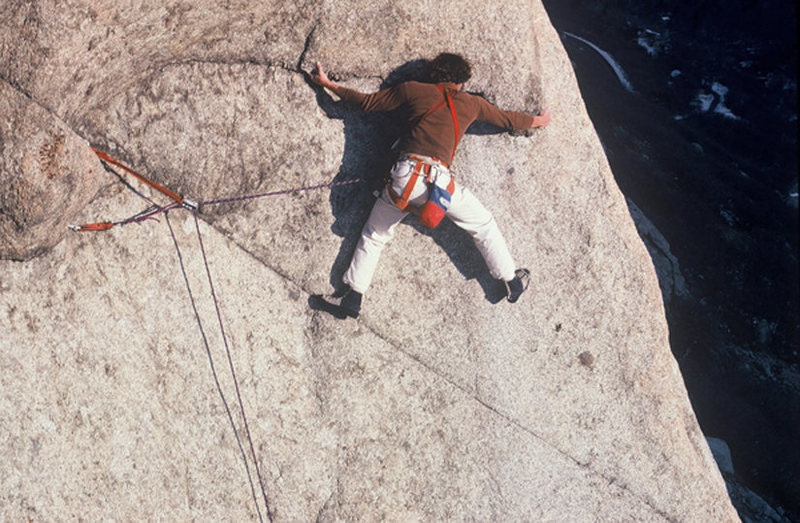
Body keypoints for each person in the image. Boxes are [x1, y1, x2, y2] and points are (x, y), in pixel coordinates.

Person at [310, 52, 551, 318]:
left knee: (375, 234)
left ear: (434, 74)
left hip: (404, 178)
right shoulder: (472, 104)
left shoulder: (413, 90)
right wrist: (539, 121)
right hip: (440, 185)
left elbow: (367, 102)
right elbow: (508, 120)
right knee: (482, 224)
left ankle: (353, 296)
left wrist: (329, 85)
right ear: (462, 81)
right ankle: (511, 281)